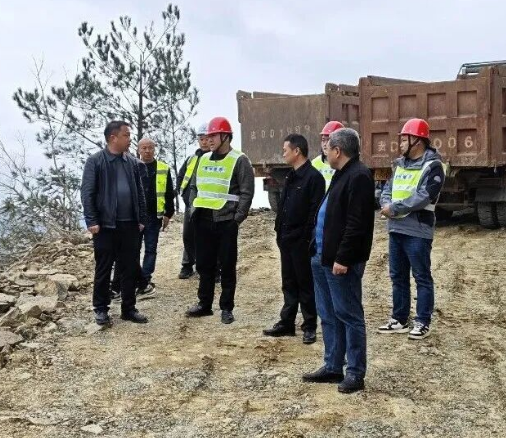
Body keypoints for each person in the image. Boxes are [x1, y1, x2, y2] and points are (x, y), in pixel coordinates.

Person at [302, 128, 375, 394]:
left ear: (338, 150)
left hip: (341, 262)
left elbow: (357, 224)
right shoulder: (341, 174)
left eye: (328, 147)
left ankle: (355, 372)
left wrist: (343, 258)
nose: (325, 152)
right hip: (322, 257)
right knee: (328, 315)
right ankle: (333, 365)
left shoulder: (359, 176)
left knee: (349, 315)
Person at [378, 118, 445, 340]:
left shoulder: (433, 166)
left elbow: (424, 196)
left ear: (417, 140)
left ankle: (422, 321)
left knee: (421, 276)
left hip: (417, 231)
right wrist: (385, 204)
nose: (401, 144)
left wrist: (394, 208)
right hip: (396, 229)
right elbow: (387, 189)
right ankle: (399, 319)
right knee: (397, 276)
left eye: (404, 139)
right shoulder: (399, 164)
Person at [186, 116, 255, 324]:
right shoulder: (203, 159)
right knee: (204, 265)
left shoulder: (239, 160)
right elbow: (194, 186)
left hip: (226, 221)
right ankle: (204, 304)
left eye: (214, 136)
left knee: (227, 265)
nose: (209, 140)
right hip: (203, 219)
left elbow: (246, 192)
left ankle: (226, 308)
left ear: (225, 136)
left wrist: (237, 219)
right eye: (208, 136)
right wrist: (192, 208)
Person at [81, 121, 148, 325]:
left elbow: (139, 192)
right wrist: (92, 220)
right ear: (113, 138)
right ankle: (101, 309)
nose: (130, 139)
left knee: (129, 267)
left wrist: (141, 218)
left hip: (130, 225)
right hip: (105, 226)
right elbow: (87, 193)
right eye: (126, 135)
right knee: (104, 268)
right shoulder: (95, 161)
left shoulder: (132, 163)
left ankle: (129, 309)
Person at [263, 134, 325, 344]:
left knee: (305, 284)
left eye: (285, 150)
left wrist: (305, 238)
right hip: (286, 238)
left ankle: (309, 326)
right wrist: (279, 231)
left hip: (301, 241)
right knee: (288, 282)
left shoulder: (314, 178)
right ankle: (287, 322)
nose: (283, 154)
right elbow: (283, 206)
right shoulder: (290, 176)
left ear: (297, 151)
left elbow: (314, 212)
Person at [135, 137, 175, 296]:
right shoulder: (132, 166)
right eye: (144, 148)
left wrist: (168, 214)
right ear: (138, 150)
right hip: (136, 217)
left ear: (154, 149)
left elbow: (169, 192)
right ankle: (136, 278)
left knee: (151, 249)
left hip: (154, 216)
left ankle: (145, 279)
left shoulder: (163, 168)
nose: (147, 151)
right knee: (133, 249)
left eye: (150, 148)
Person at [176, 123, 209, 279]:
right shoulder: (192, 159)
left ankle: (212, 268)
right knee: (188, 235)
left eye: (207, 138)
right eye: (201, 139)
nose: (204, 142)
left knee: (209, 237)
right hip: (191, 204)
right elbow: (181, 176)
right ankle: (187, 265)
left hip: (209, 205)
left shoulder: (218, 158)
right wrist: (183, 194)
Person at [311, 121, 344, 190]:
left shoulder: (345, 164)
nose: (325, 144)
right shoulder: (314, 163)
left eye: (328, 140)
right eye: (323, 140)